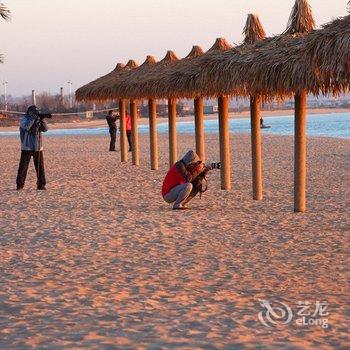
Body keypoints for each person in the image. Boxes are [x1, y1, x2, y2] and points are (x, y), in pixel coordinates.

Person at [16, 105, 49, 190]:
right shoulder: (24, 119)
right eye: (33, 112)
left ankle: (41, 185)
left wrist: (42, 119)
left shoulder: (38, 119)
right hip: (27, 147)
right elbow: (26, 127)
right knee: (23, 167)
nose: (35, 114)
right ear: (29, 112)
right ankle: (20, 185)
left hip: (38, 147)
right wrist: (33, 118)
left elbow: (45, 129)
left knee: (40, 167)